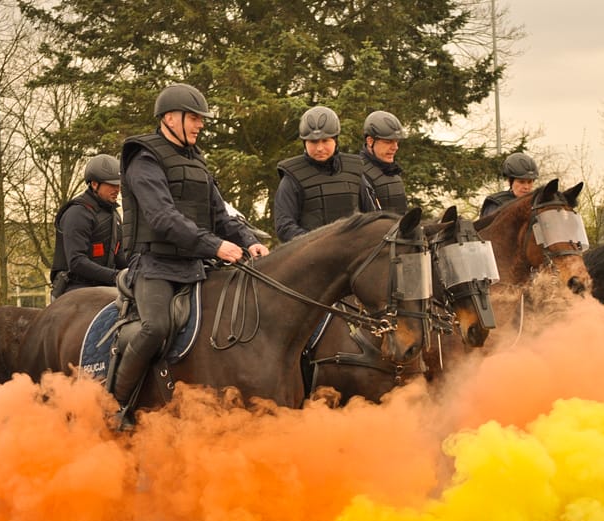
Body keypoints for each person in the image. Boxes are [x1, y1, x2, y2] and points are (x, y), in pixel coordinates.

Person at [113, 82, 270, 425]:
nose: (200, 125)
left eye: (201, 119)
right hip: (154, 266)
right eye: (194, 118)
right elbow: (162, 217)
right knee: (156, 327)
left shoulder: (197, 162)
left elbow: (220, 215)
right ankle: (116, 406)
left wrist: (247, 240)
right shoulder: (144, 158)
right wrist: (214, 246)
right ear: (170, 118)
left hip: (194, 264)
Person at [274, 105, 378, 242]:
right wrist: (320, 244)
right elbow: (284, 227)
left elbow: (372, 216)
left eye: (325, 140)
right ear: (304, 143)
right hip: (312, 255)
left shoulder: (355, 170)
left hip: (354, 252)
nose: (320, 148)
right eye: (313, 141)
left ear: (335, 140)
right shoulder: (292, 177)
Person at [49, 153, 127, 300]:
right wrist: (116, 276)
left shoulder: (114, 215)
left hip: (104, 286)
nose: (117, 189)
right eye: (112, 184)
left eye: (118, 184)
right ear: (94, 184)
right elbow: (77, 262)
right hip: (74, 287)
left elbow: (119, 258)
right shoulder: (77, 213)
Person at [360, 110, 408, 215]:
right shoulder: (357, 174)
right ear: (370, 141)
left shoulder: (393, 172)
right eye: (388, 142)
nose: (395, 147)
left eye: (396, 142)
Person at [479, 151, 539, 218]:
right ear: (509, 181)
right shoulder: (497, 204)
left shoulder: (537, 205)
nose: (526, 187)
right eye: (521, 182)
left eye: (529, 182)